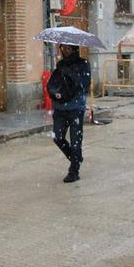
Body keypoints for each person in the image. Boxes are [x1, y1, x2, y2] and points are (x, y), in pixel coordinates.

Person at [47, 43, 91, 183]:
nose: (65, 51)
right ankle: (75, 156)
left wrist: (71, 75)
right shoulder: (60, 64)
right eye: (63, 48)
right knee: (58, 137)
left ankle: (74, 171)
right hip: (60, 108)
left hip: (76, 108)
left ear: (75, 49)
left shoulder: (84, 64)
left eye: (68, 48)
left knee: (75, 140)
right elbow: (56, 83)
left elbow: (85, 84)